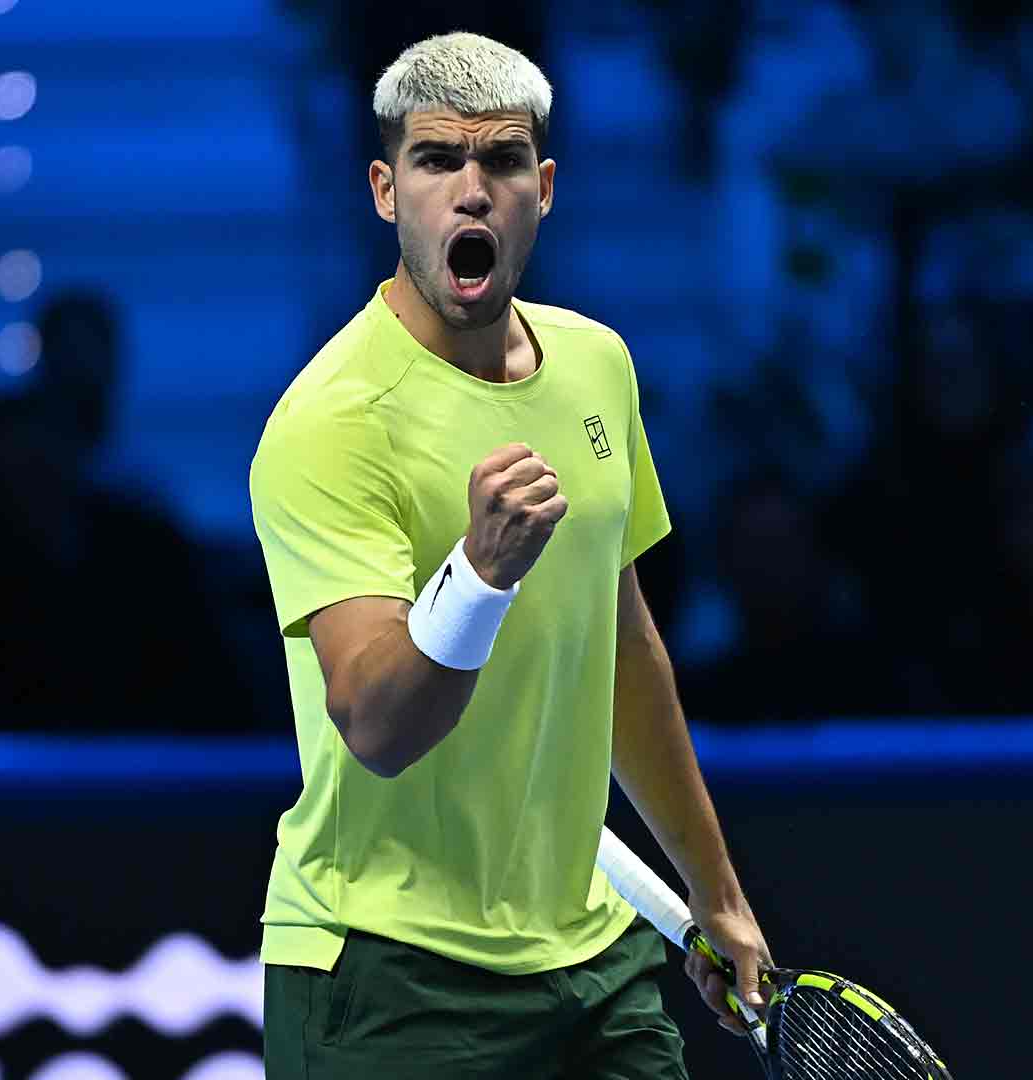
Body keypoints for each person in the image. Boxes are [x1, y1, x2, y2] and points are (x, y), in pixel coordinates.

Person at [247, 32, 771, 1078]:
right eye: (438, 161)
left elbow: (620, 645)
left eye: (501, 161)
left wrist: (715, 892)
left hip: (590, 963)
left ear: (545, 186)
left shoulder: (596, 365)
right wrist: (477, 577)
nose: (471, 190)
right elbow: (379, 726)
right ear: (387, 191)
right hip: (386, 976)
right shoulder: (331, 422)